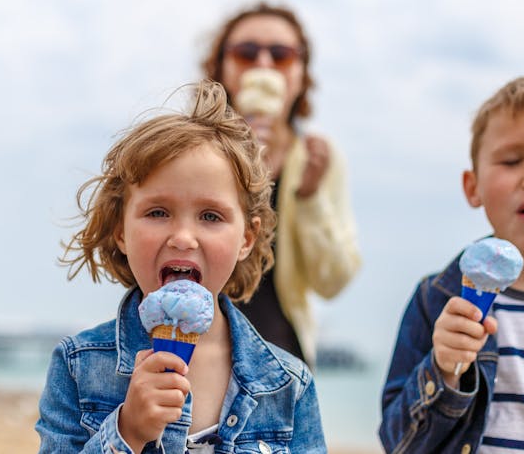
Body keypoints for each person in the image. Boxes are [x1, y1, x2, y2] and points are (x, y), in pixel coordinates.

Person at [35, 80, 326, 453]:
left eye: (210, 215)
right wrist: (128, 432)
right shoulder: (79, 366)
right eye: (158, 212)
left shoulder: (290, 383)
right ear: (120, 230)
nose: (183, 237)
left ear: (246, 239)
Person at [380, 71, 524, 453]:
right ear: (473, 186)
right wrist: (444, 369)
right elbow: (398, 443)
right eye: (511, 160)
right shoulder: (436, 299)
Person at [201, 1, 362, 367]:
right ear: (220, 68)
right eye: (246, 53)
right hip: (193, 348)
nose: (263, 65)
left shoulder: (321, 157)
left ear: (302, 73)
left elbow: (332, 281)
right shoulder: (184, 148)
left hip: (281, 357)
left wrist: (310, 196)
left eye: (282, 55)